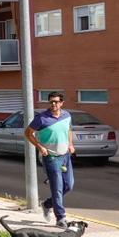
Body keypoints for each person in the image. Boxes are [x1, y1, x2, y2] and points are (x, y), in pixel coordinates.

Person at [24, 92, 76, 227]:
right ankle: (61, 218)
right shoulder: (41, 118)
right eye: (51, 102)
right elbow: (28, 133)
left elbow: (69, 130)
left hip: (65, 156)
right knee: (57, 188)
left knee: (68, 186)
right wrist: (39, 146)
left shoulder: (67, 116)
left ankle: (47, 204)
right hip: (51, 158)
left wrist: (70, 144)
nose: (54, 104)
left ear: (62, 103)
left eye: (56, 102)